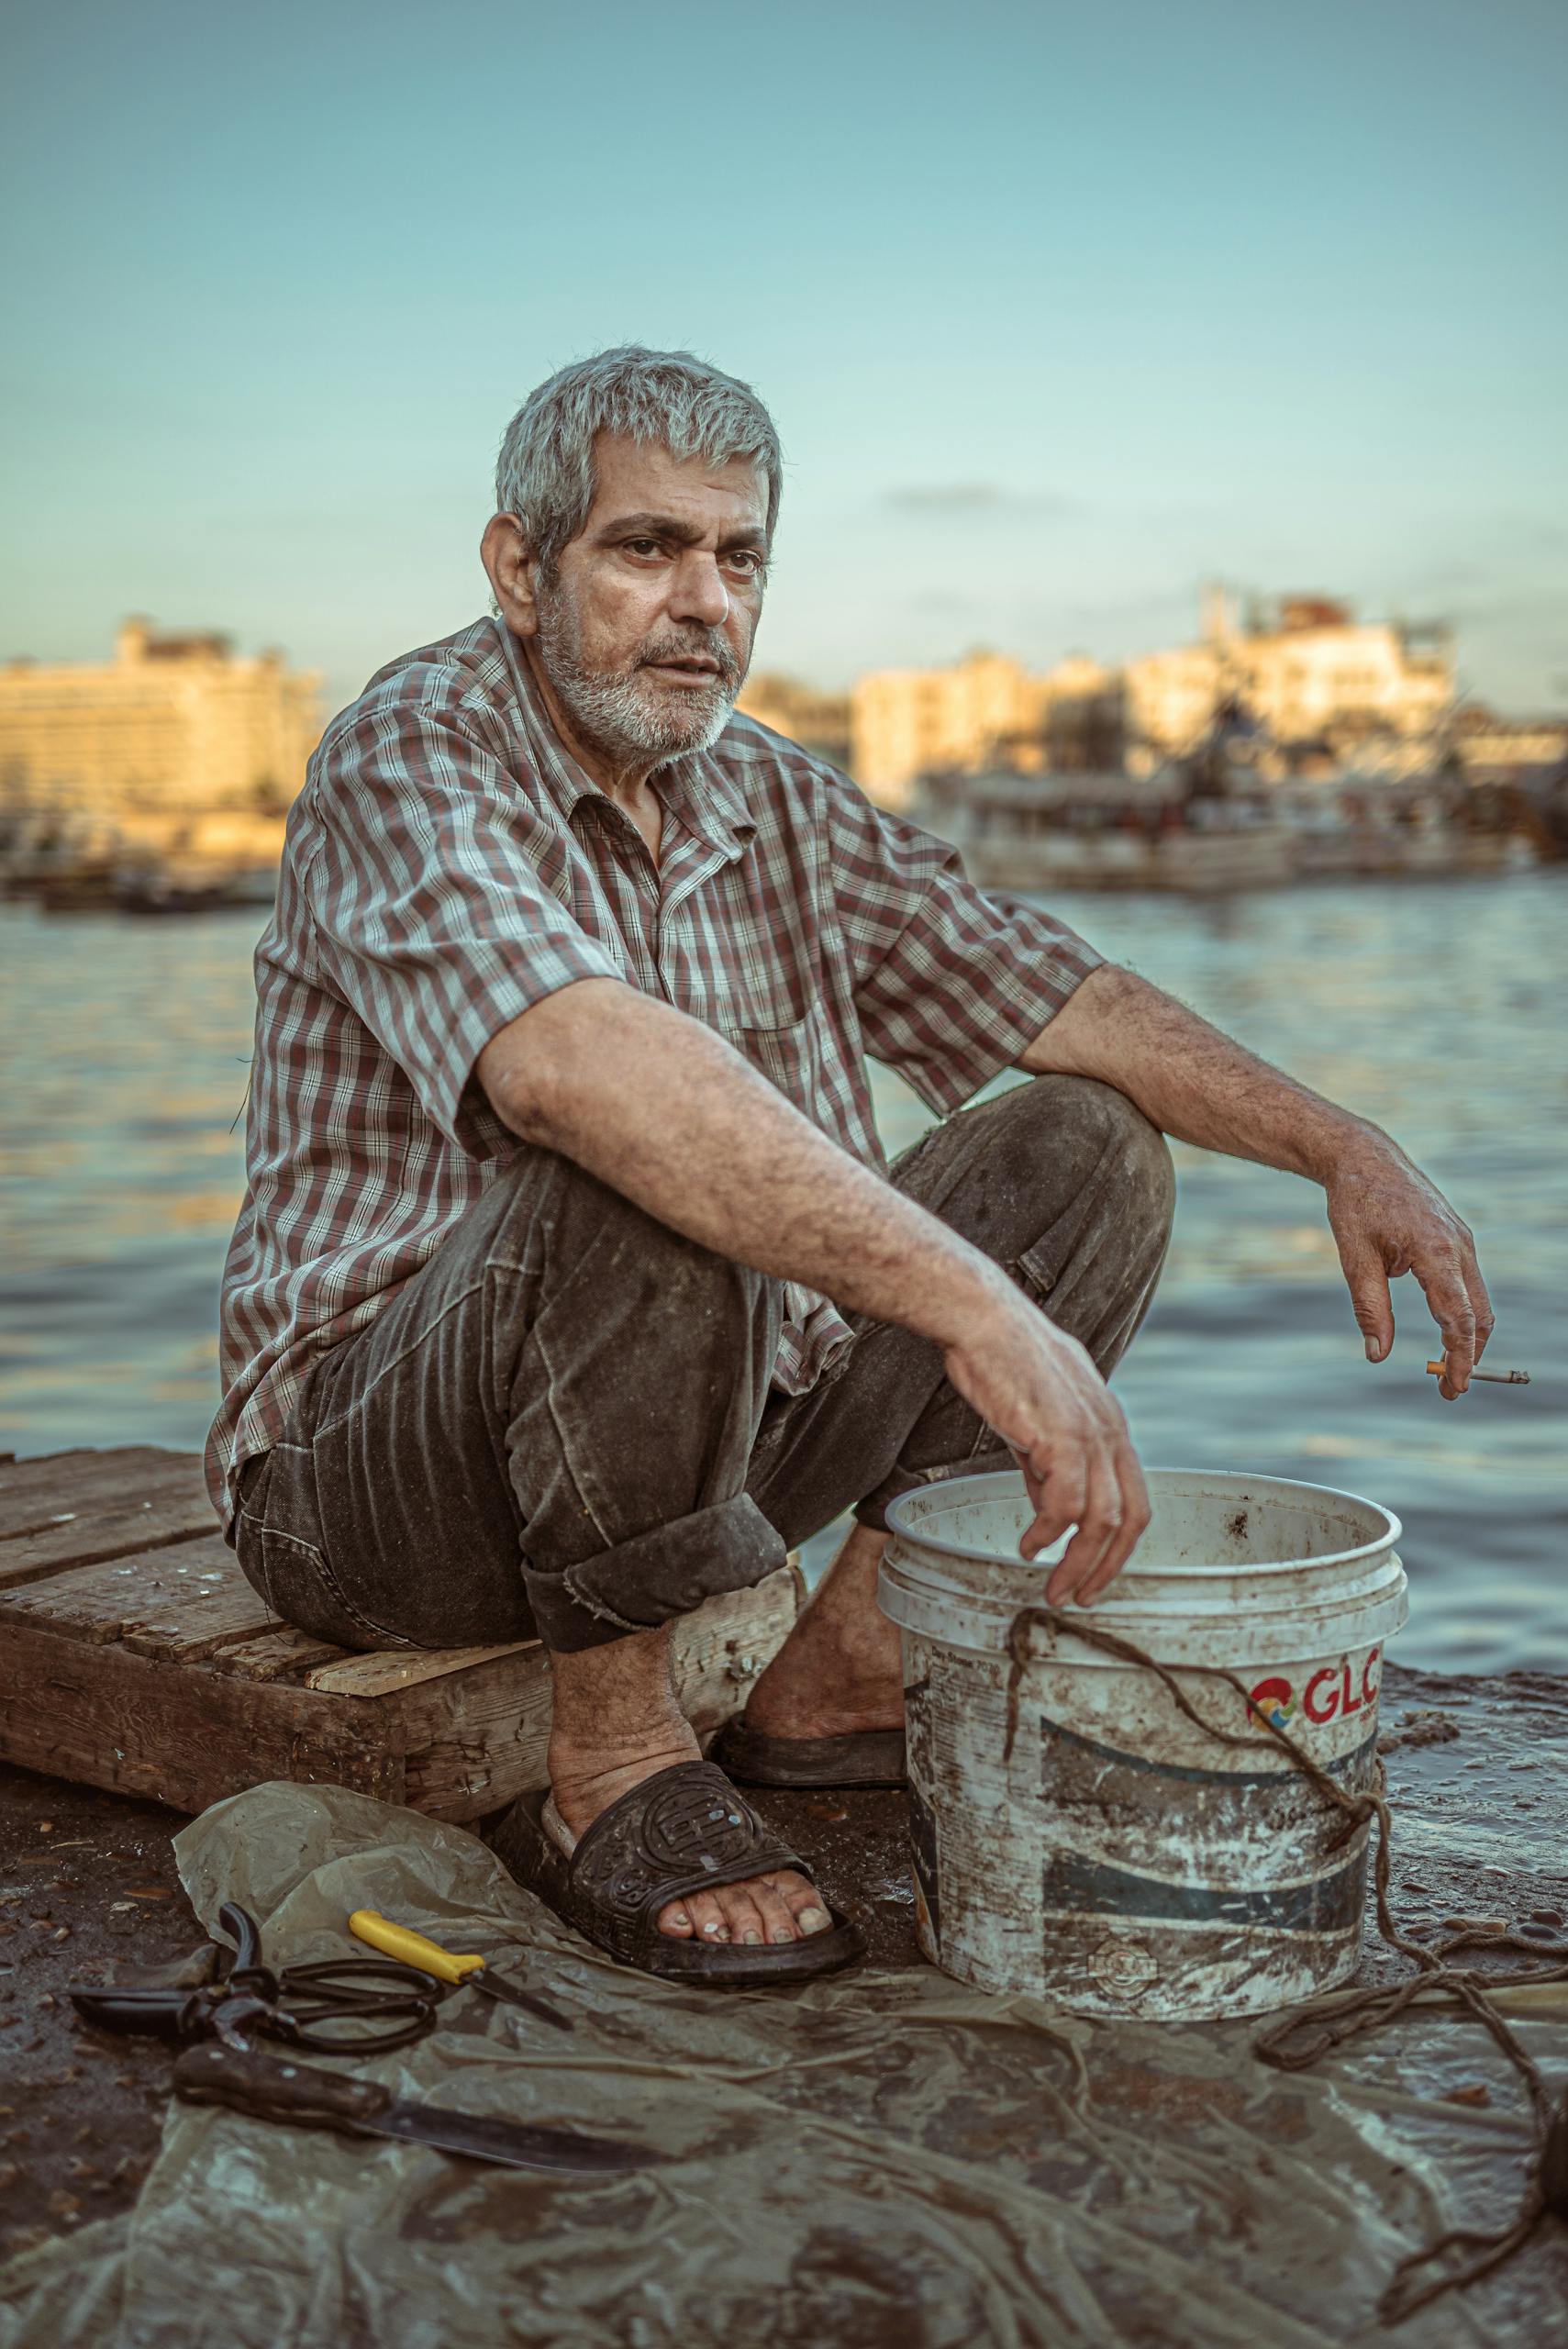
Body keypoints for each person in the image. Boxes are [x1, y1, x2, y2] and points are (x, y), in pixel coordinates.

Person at [209, 347, 1493, 1988]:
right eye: (644, 549)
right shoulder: (414, 750)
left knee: (1084, 1145)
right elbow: (571, 1065)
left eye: (737, 560)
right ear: (521, 566)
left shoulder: (770, 795)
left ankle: (840, 1677)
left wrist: (1342, 1142)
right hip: (369, 1491)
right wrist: (968, 1306)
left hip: (701, 1435)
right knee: (640, 1145)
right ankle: (615, 1764)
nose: (701, 605)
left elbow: (1058, 995)